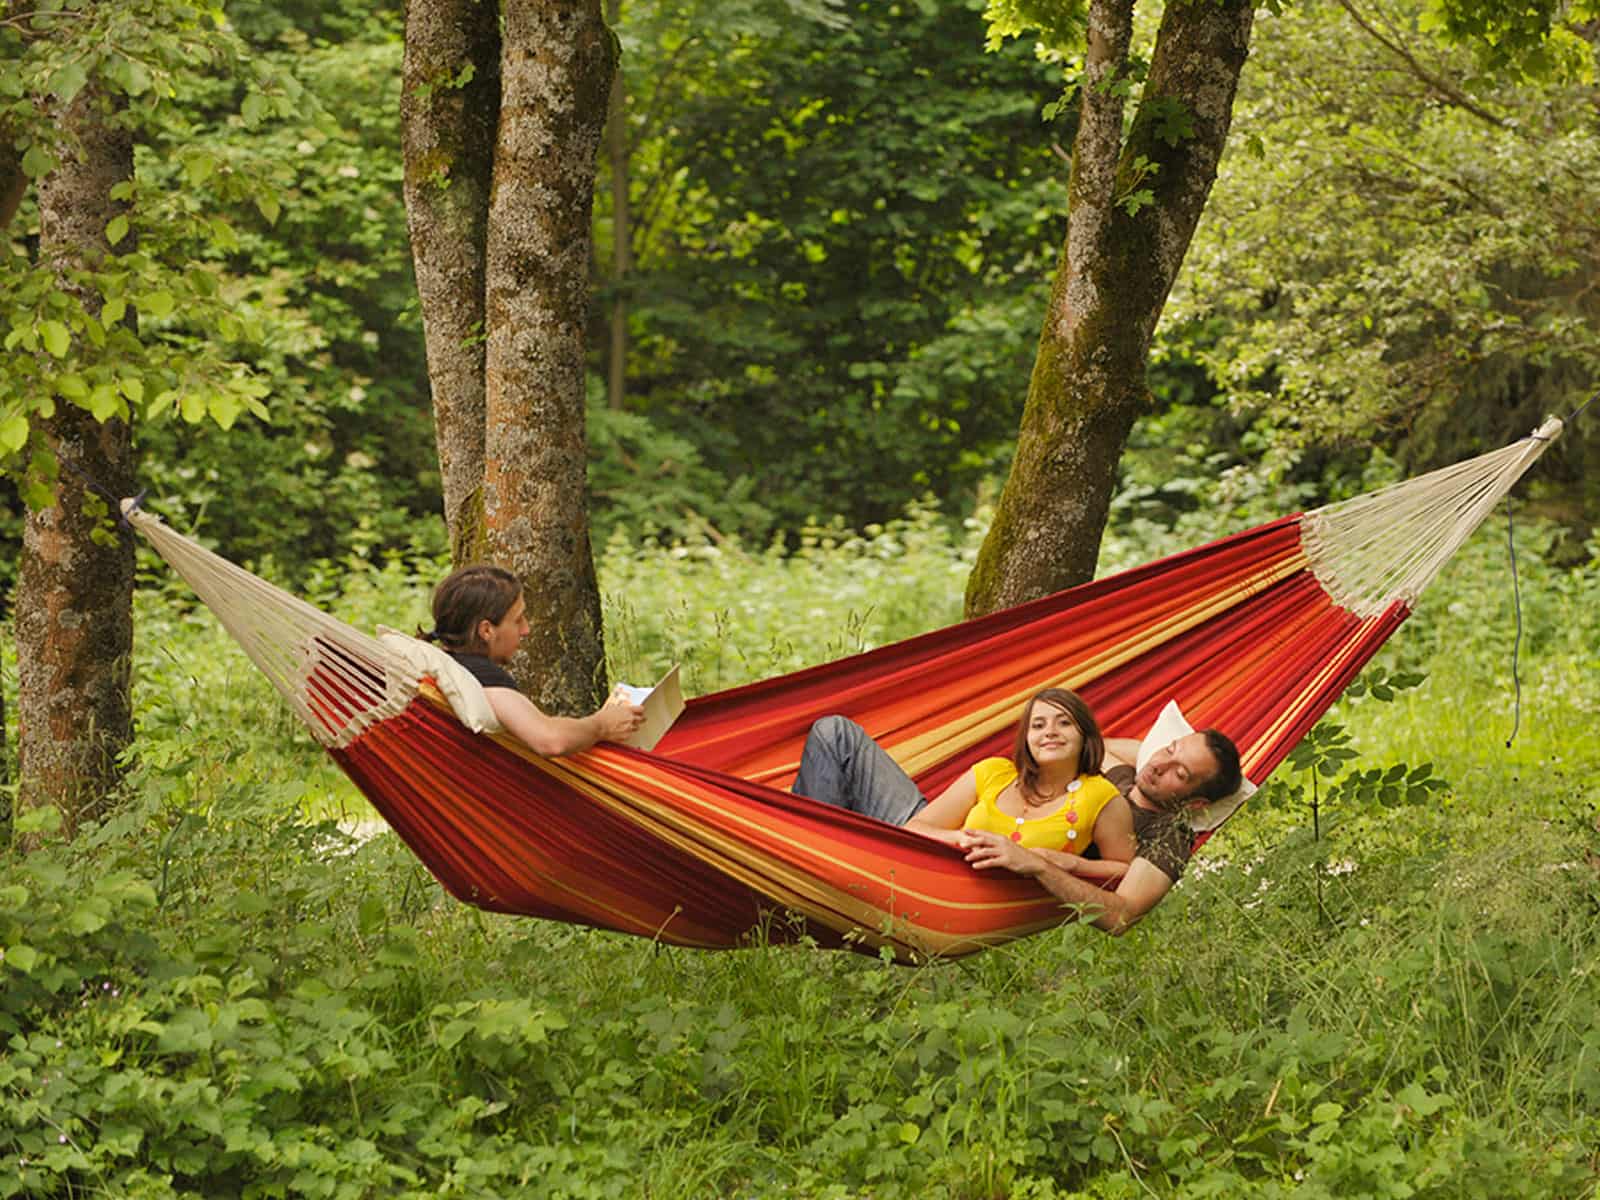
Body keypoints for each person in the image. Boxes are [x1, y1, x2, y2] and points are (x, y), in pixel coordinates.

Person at [793, 688, 1136, 874]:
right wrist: (962, 839)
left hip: (949, 887)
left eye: (1063, 723)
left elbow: (1123, 869)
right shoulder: (993, 772)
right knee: (834, 732)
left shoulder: (1100, 796)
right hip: (924, 848)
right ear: (1026, 740)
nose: (1049, 732)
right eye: (1038, 724)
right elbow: (915, 828)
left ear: (1085, 735)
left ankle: (826, 856)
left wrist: (1065, 863)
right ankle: (809, 856)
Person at [960, 726, 1242, 934]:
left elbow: (1122, 916)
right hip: (966, 832)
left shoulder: (1168, 839)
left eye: (1180, 773)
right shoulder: (1122, 776)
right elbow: (1089, 744)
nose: (1158, 766)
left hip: (984, 877)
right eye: (1169, 748)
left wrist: (1042, 867)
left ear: (1195, 804)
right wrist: (1153, 753)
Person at [420, 564, 644, 755]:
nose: (526, 629)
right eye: (517, 620)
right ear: (486, 630)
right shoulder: (478, 675)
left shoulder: (446, 665)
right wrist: (602, 725)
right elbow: (550, 740)